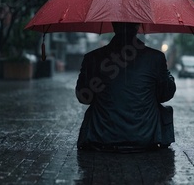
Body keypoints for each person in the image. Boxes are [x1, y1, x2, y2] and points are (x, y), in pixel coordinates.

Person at [75, 22, 176, 153]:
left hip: (102, 138)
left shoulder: (92, 58)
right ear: (138, 27)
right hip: (145, 137)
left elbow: (84, 98)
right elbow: (165, 95)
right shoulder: (156, 58)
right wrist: (168, 78)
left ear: (113, 25)